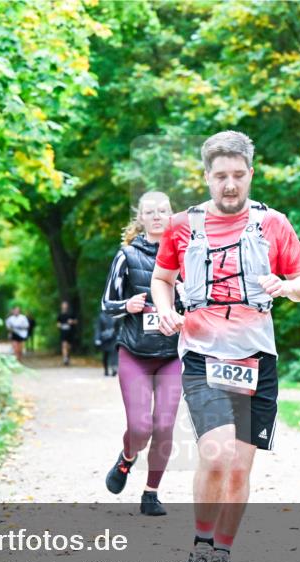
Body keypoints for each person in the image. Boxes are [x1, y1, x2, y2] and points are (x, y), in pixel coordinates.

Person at [151, 131, 300, 562]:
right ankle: (201, 551)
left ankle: (222, 555)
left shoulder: (273, 224)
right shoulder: (182, 226)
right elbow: (163, 279)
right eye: (220, 176)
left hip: (256, 357)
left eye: (238, 176)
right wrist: (165, 307)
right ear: (206, 176)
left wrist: (288, 288)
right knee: (217, 452)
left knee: (240, 467)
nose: (229, 185)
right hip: (203, 355)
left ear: (250, 174)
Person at [100, 191, 184, 516]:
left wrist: (183, 303)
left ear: (172, 215)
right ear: (142, 218)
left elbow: (200, 302)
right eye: (151, 211)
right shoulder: (126, 256)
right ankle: (127, 458)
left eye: (164, 210)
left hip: (171, 355)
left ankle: (151, 493)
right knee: (141, 427)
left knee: (164, 424)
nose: (158, 216)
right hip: (134, 352)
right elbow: (107, 305)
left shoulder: (185, 256)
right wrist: (127, 305)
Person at [93, 310, 119, 376]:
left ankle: (114, 368)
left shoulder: (116, 316)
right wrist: (97, 339)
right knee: (106, 354)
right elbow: (98, 328)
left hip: (114, 337)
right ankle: (106, 369)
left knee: (114, 352)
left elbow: (119, 327)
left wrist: (119, 336)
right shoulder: (101, 316)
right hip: (104, 338)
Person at [56, 301, 78, 365]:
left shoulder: (71, 314)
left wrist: (72, 321)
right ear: (61, 306)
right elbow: (57, 323)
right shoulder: (60, 315)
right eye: (63, 305)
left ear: (67, 306)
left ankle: (67, 356)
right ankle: (65, 358)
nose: (64, 306)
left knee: (69, 347)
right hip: (63, 332)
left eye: (65, 305)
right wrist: (59, 325)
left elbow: (76, 321)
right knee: (64, 345)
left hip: (70, 332)